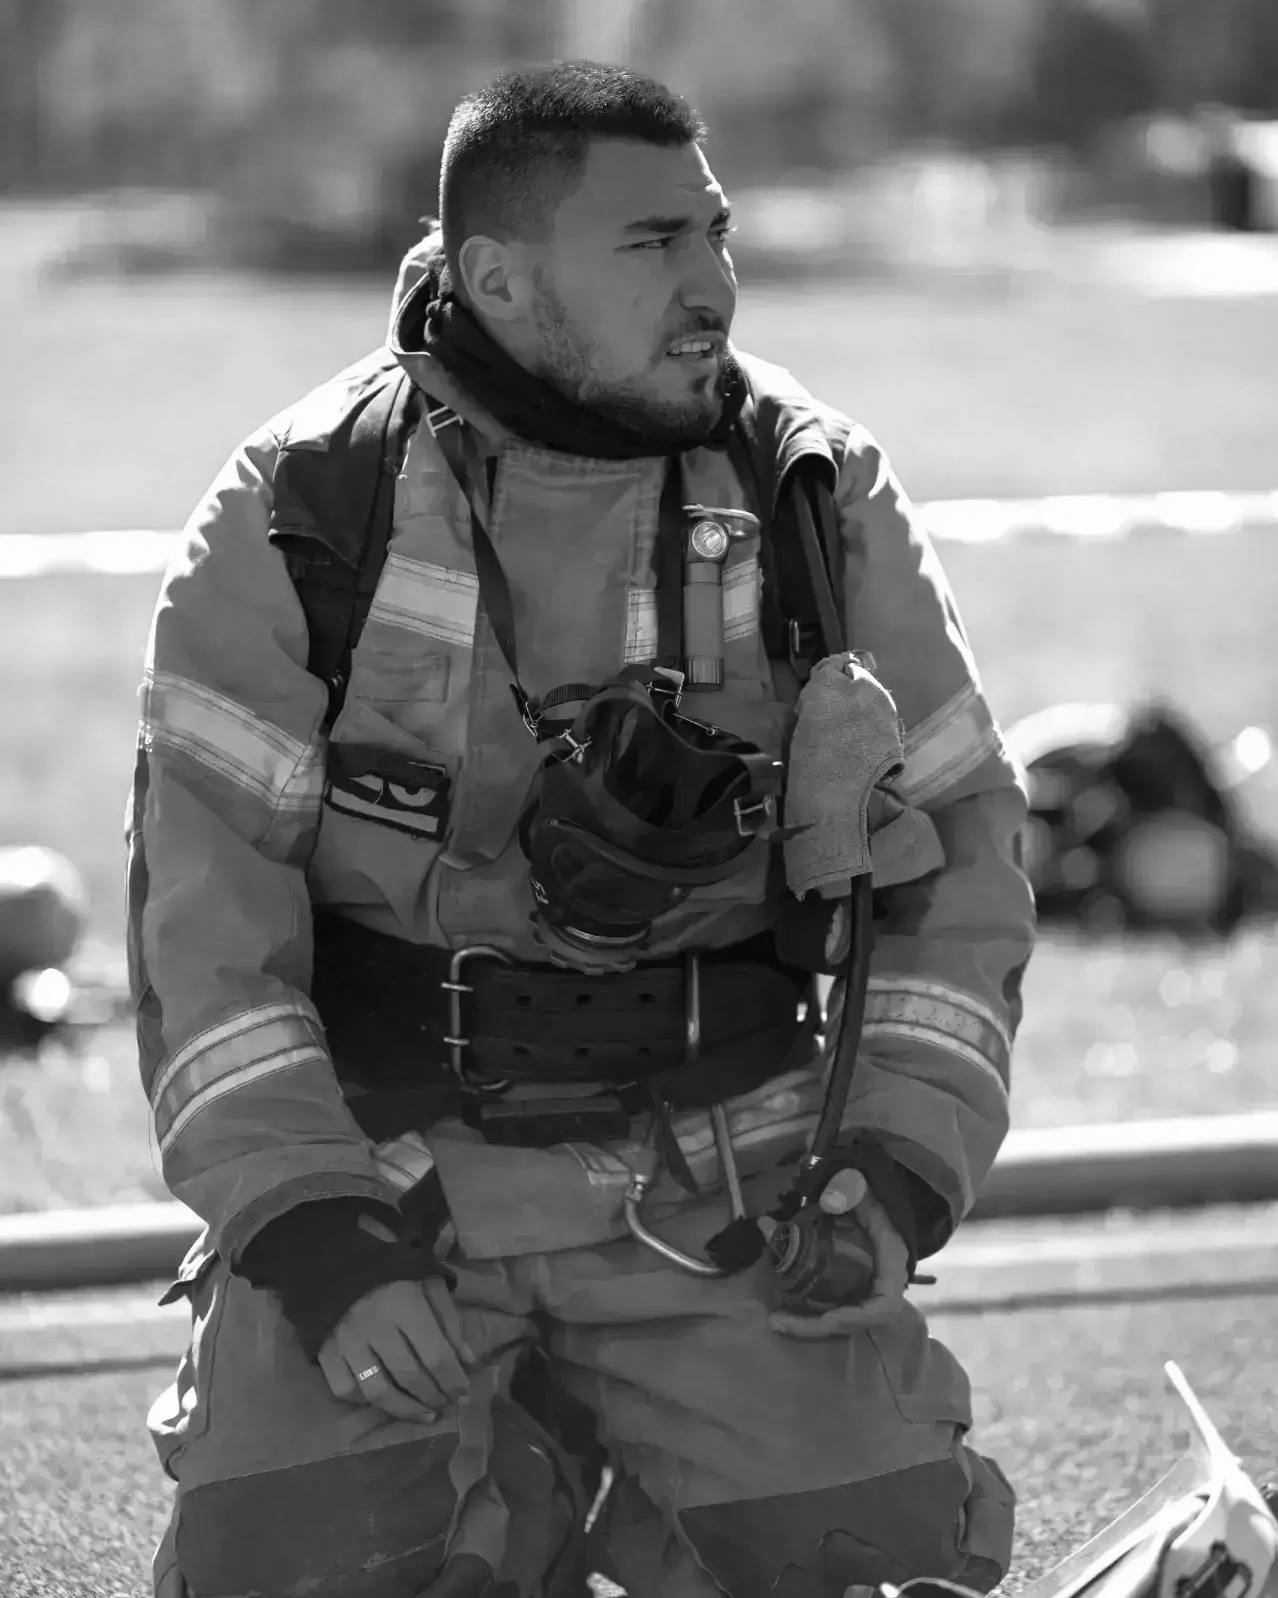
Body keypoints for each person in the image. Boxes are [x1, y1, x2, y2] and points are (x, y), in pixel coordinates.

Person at [128, 61, 1035, 1598]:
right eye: (651, 243)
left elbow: (962, 860)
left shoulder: (811, 487)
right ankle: (520, 1472)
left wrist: (890, 1167)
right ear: (497, 277)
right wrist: (319, 1238)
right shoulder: (304, 505)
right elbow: (203, 941)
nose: (712, 286)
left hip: (728, 1196)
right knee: (314, 1572)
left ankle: (585, 1475)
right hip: (395, 1195)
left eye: (714, 232)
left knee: (872, 1561)